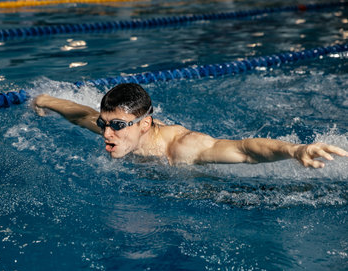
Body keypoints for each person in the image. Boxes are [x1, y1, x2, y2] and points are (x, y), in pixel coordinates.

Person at [32, 83, 347, 168]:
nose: (106, 132)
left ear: (145, 124)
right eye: (104, 124)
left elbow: (245, 149)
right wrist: (44, 100)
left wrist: (296, 150)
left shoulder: (182, 147)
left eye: (116, 125)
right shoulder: (111, 128)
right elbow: (78, 113)